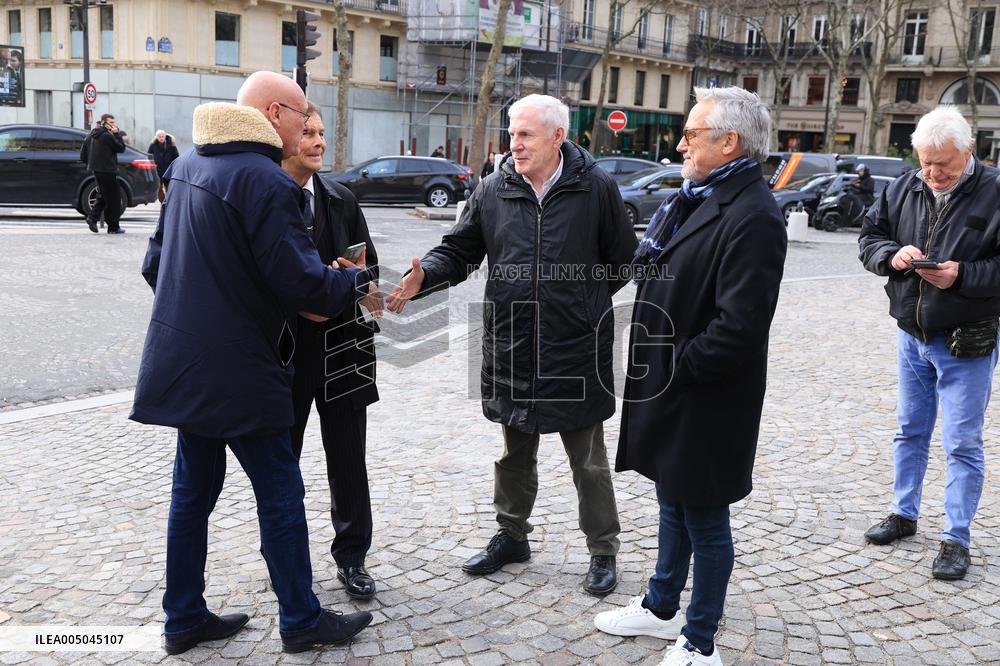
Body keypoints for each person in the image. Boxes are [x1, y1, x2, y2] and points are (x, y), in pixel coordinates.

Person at [130, 71, 374, 655]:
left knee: (191, 495)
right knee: (281, 493)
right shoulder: (266, 180)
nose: (306, 122)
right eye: (301, 112)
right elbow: (304, 286)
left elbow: (154, 265)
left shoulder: (187, 165)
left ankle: (183, 618)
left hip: (185, 362)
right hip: (241, 368)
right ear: (273, 114)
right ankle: (301, 620)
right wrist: (356, 280)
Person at [386, 94, 637, 596]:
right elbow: (460, 251)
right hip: (513, 342)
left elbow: (621, 261)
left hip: (575, 347)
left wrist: (580, 304)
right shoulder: (493, 188)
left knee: (587, 459)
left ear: (558, 137)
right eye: (511, 134)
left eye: (524, 135)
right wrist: (426, 275)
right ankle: (512, 535)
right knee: (514, 451)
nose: (514, 145)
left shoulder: (596, 188)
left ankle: (602, 549)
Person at [595, 87, 786, 666]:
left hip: (706, 396)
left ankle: (700, 642)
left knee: (704, 517)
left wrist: (675, 368)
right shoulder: (695, 199)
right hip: (672, 387)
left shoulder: (754, 215)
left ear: (729, 142)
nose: (680, 145)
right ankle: (661, 608)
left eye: (690, 134)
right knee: (671, 500)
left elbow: (739, 326)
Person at [859, 106, 1000, 581]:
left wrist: (963, 275)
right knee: (909, 430)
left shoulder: (996, 191)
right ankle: (904, 514)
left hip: (966, 340)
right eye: (926, 163)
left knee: (962, 442)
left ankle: (956, 538)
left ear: (969, 151)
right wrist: (892, 255)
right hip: (911, 333)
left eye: (944, 165)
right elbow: (869, 238)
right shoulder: (903, 186)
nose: (934, 174)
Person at [281, 102, 385, 600]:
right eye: (308, 133)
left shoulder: (342, 199)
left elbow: (371, 274)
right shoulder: (268, 198)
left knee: (348, 461)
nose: (319, 142)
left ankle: (352, 557)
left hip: (345, 347)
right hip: (285, 354)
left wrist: (355, 279)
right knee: (283, 463)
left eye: (321, 133)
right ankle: (285, 557)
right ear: (284, 138)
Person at [79, 113, 126, 234]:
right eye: (111, 122)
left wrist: (92, 164)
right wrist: (117, 134)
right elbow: (121, 148)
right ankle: (113, 227)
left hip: (97, 170)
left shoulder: (91, 135)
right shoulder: (107, 136)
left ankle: (93, 218)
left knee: (104, 196)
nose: (114, 125)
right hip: (108, 170)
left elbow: (83, 155)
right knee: (114, 199)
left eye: (114, 122)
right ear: (104, 123)